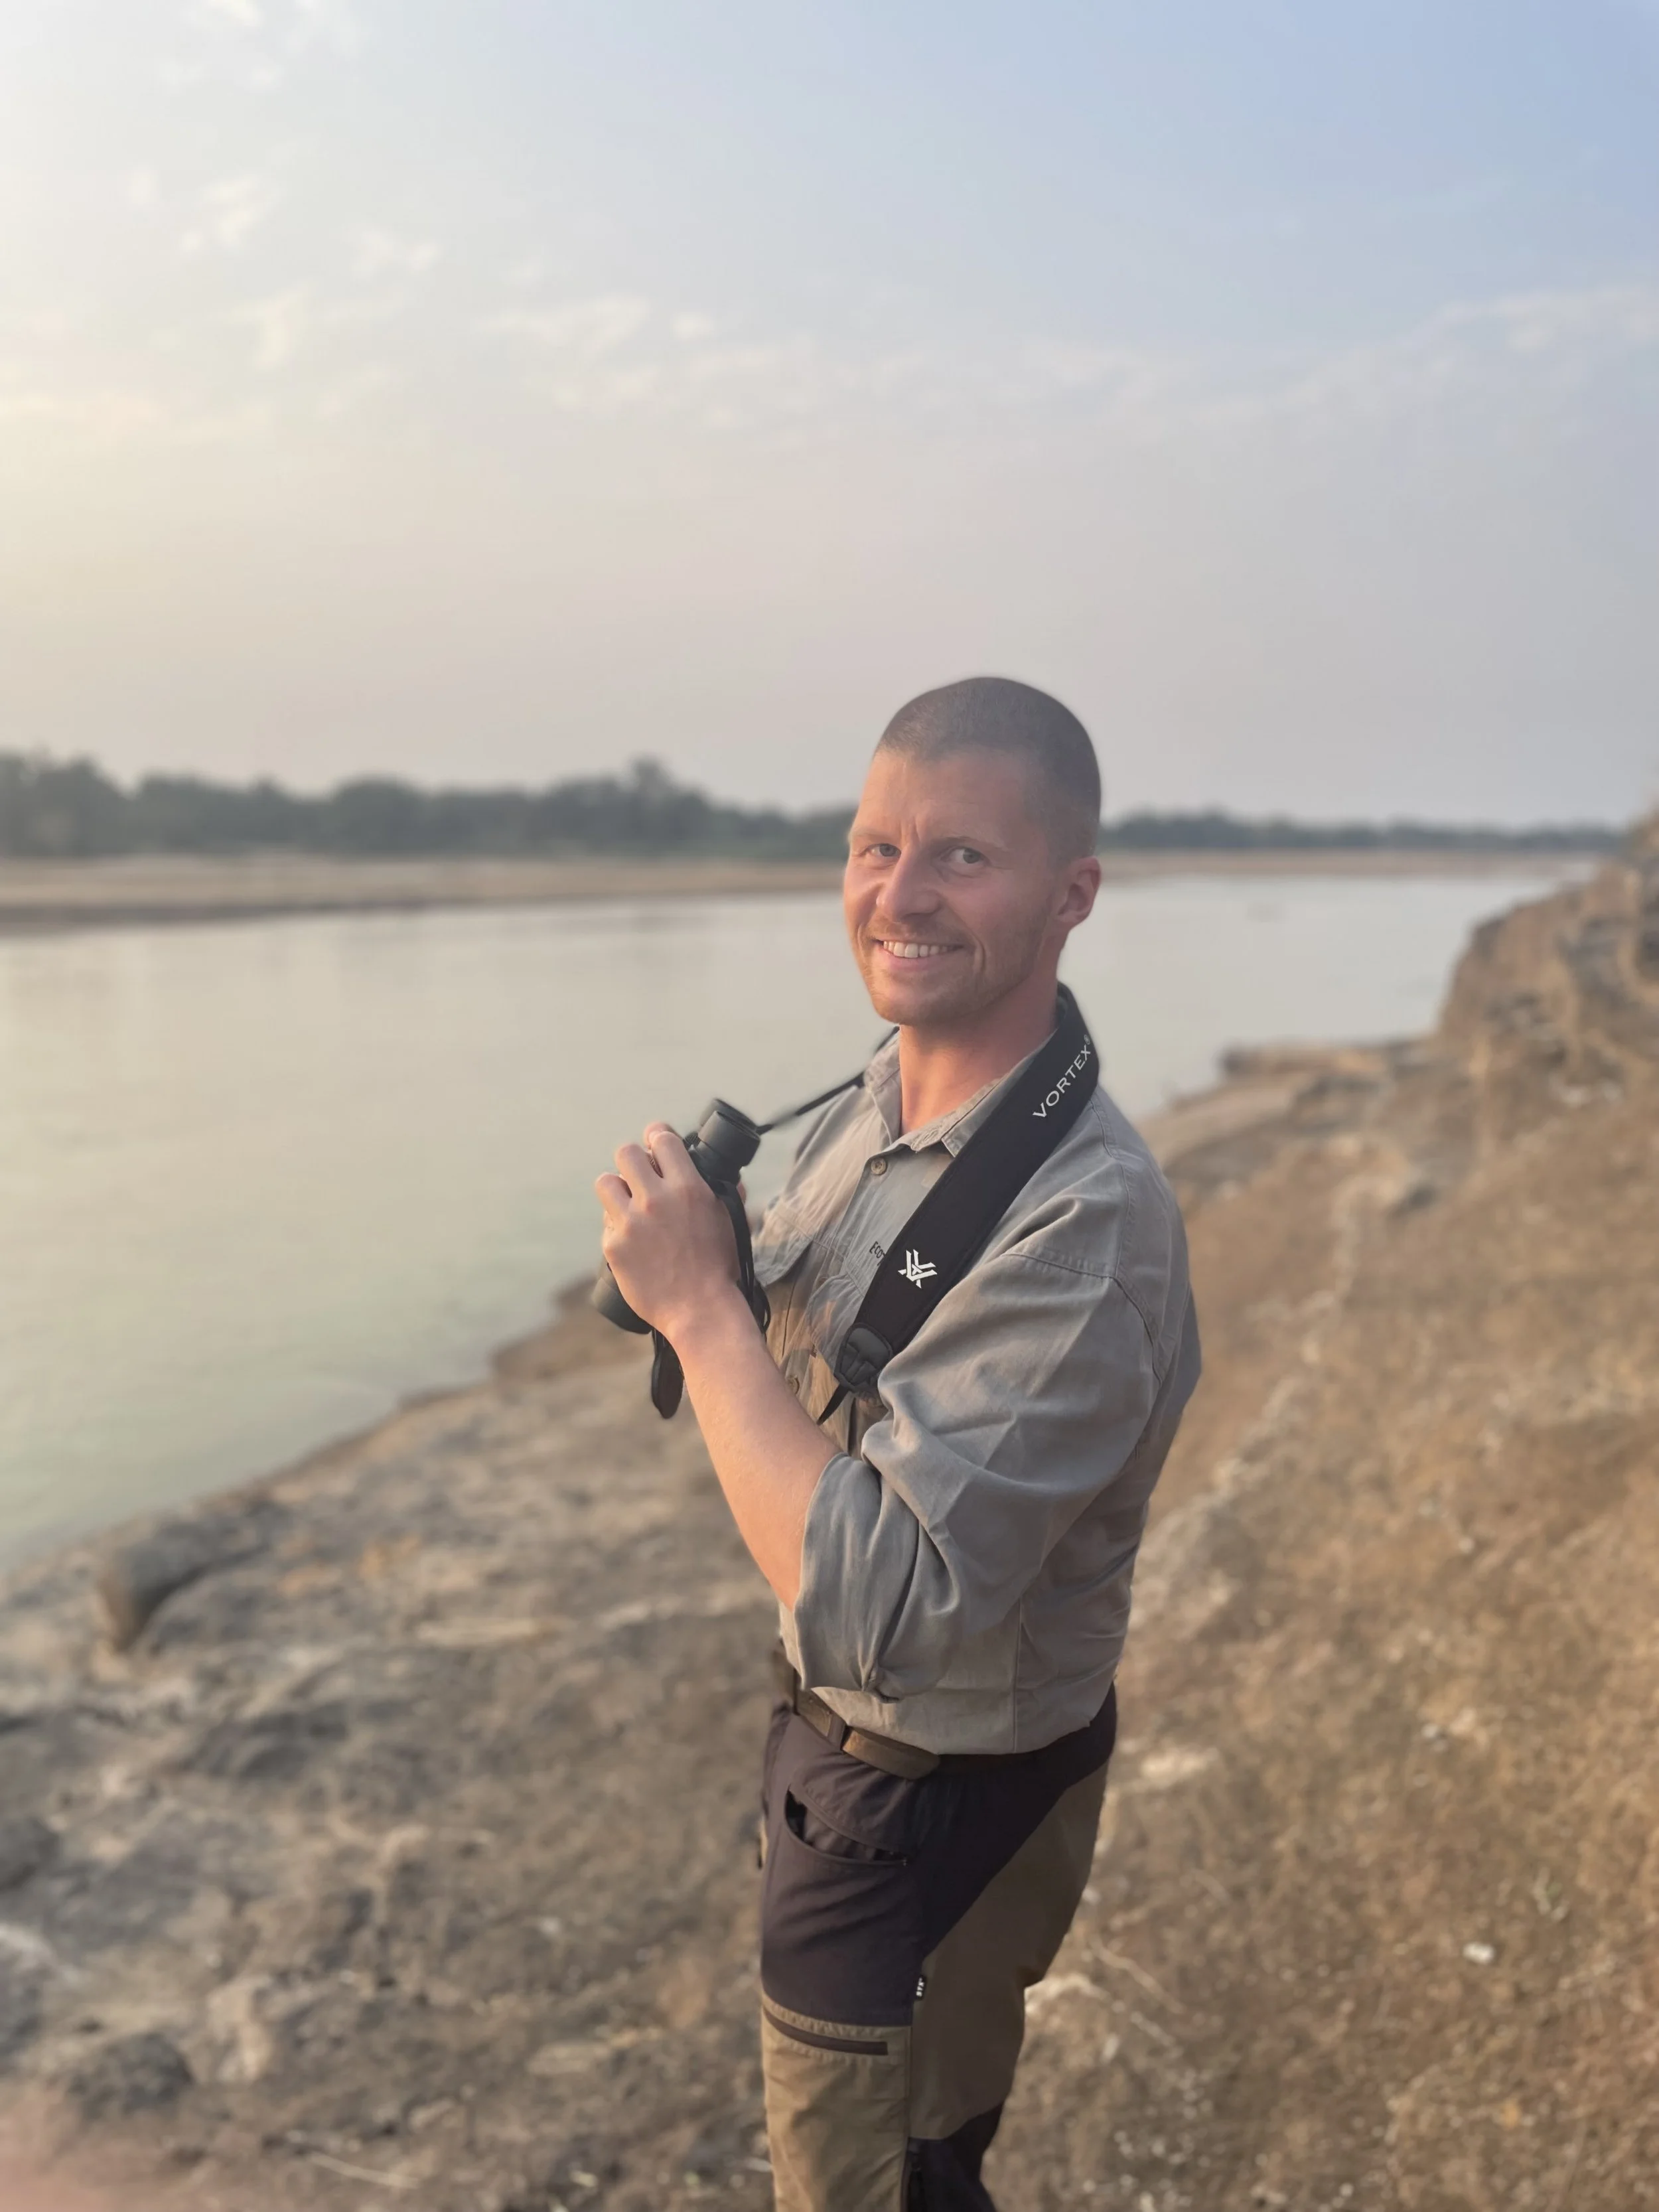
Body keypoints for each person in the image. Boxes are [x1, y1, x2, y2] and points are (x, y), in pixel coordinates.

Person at [595, 676, 1201, 2211]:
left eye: (960, 858)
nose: (898, 894)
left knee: (887, 2176)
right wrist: (702, 1265)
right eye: (873, 848)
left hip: (939, 1804)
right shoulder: (874, 1098)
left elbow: (881, 1609)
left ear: (1072, 895)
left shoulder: (1082, 1222)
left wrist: (702, 1321)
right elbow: (822, 1384)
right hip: (833, 1761)